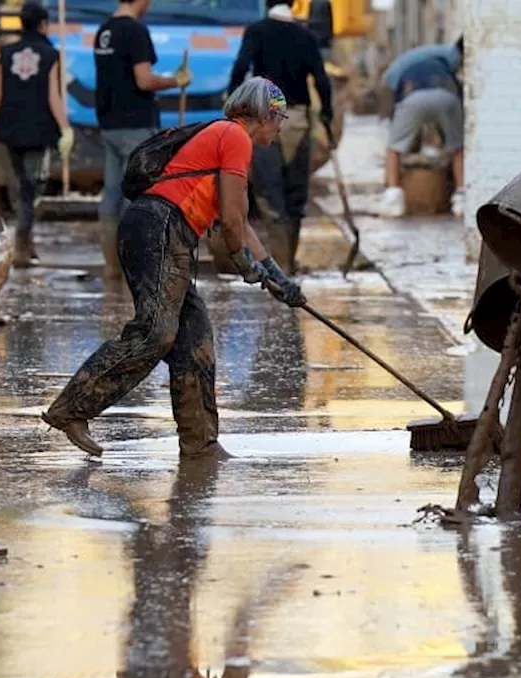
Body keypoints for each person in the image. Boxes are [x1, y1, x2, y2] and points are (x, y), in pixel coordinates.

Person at [41, 78, 305, 460]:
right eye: (279, 118)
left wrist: (278, 278)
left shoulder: (225, 137)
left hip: (166, 233)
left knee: (193, 343)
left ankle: (201, 445)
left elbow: (242, 224)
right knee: (156, 333)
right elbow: (232, 224)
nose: (280, 127)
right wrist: (249, 267)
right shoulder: (234, 137)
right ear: (263, 114)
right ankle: (72, 408)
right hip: (159, 228)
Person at [228, 0, 333, 274]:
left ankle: (280, 266)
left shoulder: (257, 31)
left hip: (264, 119)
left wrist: (233, 104)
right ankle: (289, 265)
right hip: (297, 119)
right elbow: (321, 79)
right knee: (295, 196)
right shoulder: (306, 35)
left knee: (269, 195)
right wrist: (327, 115)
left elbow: (240, 69)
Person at [94, 0, 193, 280]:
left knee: (112, 193)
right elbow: (144, 80)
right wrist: (176, 81)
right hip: (135, 124)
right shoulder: (135, 31)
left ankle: (112, 266)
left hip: (109, 124)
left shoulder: (105, 30)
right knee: (136, 197)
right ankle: (133, 265)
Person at [0, 2, 74, 268]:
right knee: (32, 188)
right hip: (39, 129)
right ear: (43, 24)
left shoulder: (5, 53)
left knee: (21, 184)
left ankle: (25, 240)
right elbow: (53, 96)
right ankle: (22, 242)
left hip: (9, 128)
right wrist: (65, 128)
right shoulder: (50, 54)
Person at [377, 38, 464, 219]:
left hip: (412, 98)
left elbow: (394, 98)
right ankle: (461, 197)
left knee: (393, 149)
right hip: (447, 97)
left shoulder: (401, 68)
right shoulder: (449, 57)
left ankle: (394, 197)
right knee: (458, 148)